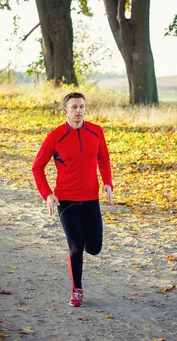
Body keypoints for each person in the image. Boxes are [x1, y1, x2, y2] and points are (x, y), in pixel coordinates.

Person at [32, 92, 113, 307]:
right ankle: (77, 289)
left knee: (94, 248)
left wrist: (107, 182)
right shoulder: (55, 136)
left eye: (82, 107)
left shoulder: (96, 132)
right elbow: (37, 167)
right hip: (66, 201)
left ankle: (80, 243)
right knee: (76, 246)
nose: (78, 111)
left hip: (90, 199)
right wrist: (47, 194)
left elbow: (103, 159)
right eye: (74, 107)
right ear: (65, 110)